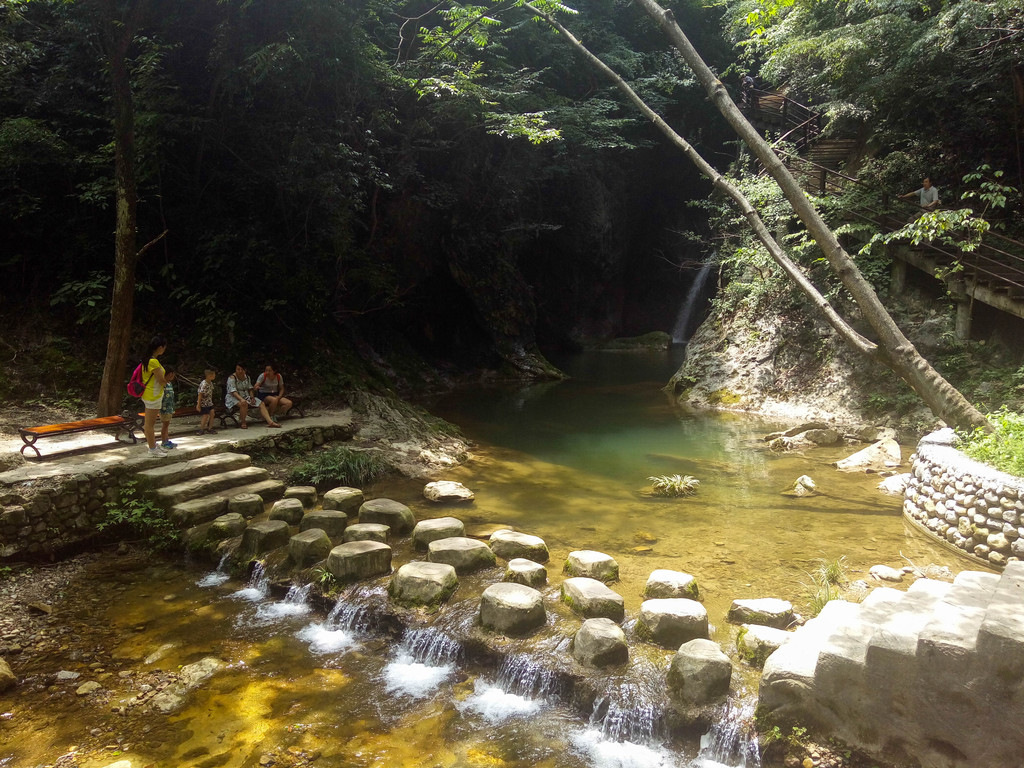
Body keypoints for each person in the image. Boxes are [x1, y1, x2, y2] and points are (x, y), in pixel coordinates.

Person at [225, 363, 280, 429]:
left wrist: (252, 397)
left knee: (261, 403)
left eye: (241, 369)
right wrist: (241, 399)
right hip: (233, 397)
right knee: (244, 403)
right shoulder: (232, 378)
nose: (240, 371)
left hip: (246, 396)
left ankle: (270, 422)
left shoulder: (247, 377)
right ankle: (243, 422)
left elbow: (250, 389)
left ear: (245, 370)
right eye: (238, 369)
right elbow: (233, 391)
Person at [140, 336, 169, 457]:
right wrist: (167, 382)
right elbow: (161, 380)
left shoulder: (149, 360)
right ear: (160, 347)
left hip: (151, 394)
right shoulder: (153, 362)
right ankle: (152, 449)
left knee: (150, 423)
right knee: (149, 424)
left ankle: (153, 445)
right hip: (153, 395)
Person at [158, 367, 178, 449]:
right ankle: (164, 441)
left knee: (167, 425)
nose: (172, 377)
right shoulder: (162, 384)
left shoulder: (169, 384)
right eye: (170, 375)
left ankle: (167, 440)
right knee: (165, 425)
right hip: (164, 409)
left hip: (170, 408)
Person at [196, 368, 218, 435]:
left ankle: (210, 428)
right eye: (213, 374)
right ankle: (201, 429)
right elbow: (200, 394)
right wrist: (198, 405)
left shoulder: (210, 383)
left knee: (212, 413)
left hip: (209, 402)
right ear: (209, 375)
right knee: (205, 415)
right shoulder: (204, 384)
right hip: (204, 402)